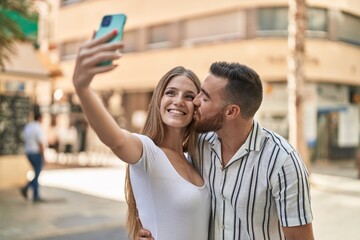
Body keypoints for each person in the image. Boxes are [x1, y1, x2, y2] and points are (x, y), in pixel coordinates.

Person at [138, 62, 314, 240]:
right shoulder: (199, 144)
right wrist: (151, 230)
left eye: (205, 98)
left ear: (231, 112)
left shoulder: (283, 161)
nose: (196, 101)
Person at [72, 30, 210, 240]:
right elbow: (115, 139)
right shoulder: (147, 151)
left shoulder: (195, 159)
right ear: (158, 100)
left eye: (189, 96)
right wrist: (82, 88)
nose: (179, 101)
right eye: (171, 92)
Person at [20, 111, 47, 203]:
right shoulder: (38, 128)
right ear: (40, 118)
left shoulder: (28, 127)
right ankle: (31, 192)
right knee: (37, 174)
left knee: (36, 174)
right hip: (36, 153)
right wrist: (43, 156)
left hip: (28, 152)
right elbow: (40, 143)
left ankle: (33, 193)